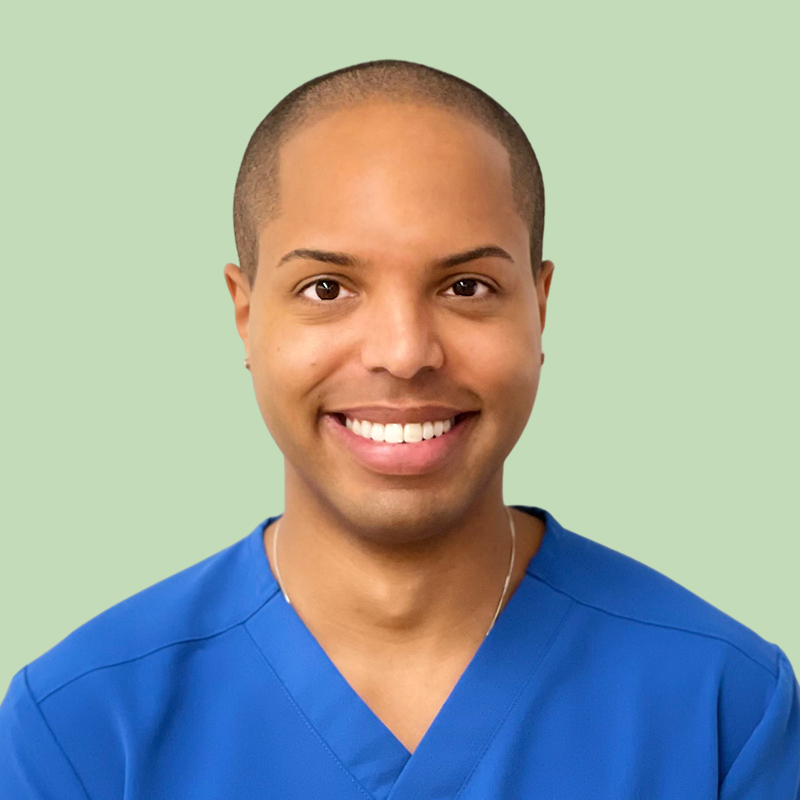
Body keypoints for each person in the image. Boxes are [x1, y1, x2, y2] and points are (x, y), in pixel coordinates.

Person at [1, 58, 797, 799]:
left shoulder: (723, 708)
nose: (405, 353)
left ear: (540, 306)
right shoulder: (81, 729)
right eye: (325, 288)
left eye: (466, 284)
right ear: (245, 316)